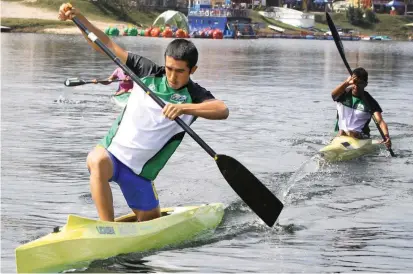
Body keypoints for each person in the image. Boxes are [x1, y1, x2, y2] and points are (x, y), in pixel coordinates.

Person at [58, 4, 229, 222]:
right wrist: (79, 18)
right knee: (96, 159)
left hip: (139, 174)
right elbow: (105, 44)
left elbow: (222, 110)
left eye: (180, 71)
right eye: (169, 68)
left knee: (149, 220)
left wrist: (184, 108)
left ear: (192, 70)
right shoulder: (145, 70)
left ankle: (137, 222)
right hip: (112, 155)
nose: (172, 76)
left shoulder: (194, 94)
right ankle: (106, 227)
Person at [331, 67, 392, 149]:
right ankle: (342, 139)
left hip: (360, 136)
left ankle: (347, 137)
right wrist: (346, 83)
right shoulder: (343, 94)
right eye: (355, 82)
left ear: (365, 84)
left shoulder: (370, 102)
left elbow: (380, 122)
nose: (356, 85)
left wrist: (386, 136)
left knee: (350, 132)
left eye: (360, 83)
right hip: (341, 135)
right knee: (342, 131)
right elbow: (333, 95)